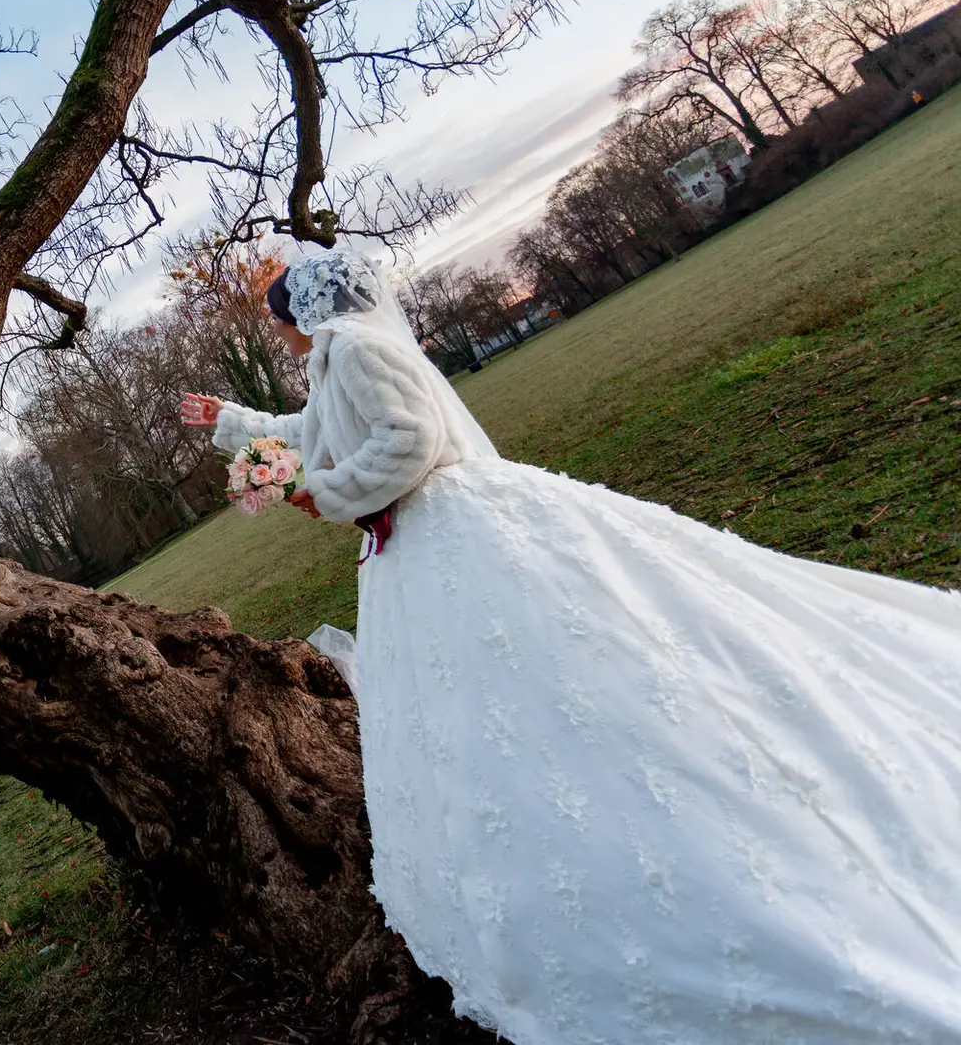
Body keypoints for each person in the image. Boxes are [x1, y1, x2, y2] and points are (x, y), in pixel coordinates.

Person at [180, 249, 961, 1045]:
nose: (278, 337)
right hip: (411, 542)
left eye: (277, 323)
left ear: (299, 314)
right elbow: (311, 429)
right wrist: (235, 429)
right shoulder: (336, 356)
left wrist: (331, 493)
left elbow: (411, 436)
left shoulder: (353, 346)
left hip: (445, 523)